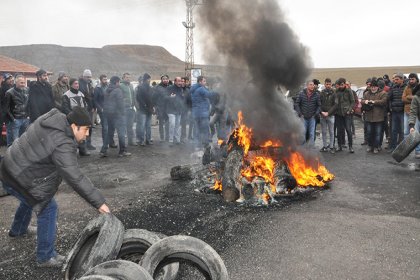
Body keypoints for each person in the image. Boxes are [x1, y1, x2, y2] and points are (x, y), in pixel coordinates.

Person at [0, 107, 110, 268]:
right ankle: (45, 257)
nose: (86, 134)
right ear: (74, 126)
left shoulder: (53, 118)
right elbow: (75, 176)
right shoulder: (62, 143)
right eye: (85, 130)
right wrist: (100, 203)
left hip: (9, 166)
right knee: (48, 207)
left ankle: (18, 230)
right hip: (19, 175)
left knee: (29, 197)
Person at [100, 76, 131, 158]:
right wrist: (123, 113)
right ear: (117, 82)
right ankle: (122, 151)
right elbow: (120, 104)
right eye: (119, 82)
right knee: (121, 133)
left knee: (109, 132)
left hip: (108, 114)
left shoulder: (107, 89)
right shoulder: (118, 90)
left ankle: (103, 151)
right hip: (117, 115)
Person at [62, 78, 90, 156]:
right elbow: (65, 107)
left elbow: (85, 105)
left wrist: (85, 114)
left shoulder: (81, 94)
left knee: (82, 134)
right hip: (72, 118)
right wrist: (72, 115)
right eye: (75, 83)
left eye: (78, 83)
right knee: (71, 136)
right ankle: (71, 152)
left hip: (81, 118)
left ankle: (82, 150)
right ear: (71, 85)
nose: (77, 85)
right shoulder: (66, 95)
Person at [362, 78, 387, 153]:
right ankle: (370, 146)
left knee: (378, 133)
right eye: (372, 87)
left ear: (377, 87)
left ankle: (376, 146)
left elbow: (383, 101)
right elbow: (362, 100)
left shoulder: (383, 93)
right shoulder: (366, 93)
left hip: (379, 117)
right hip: (369, 117)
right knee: (369, 132)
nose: (373, 88)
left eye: (374, 87)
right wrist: (365, 101)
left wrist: (373, 102)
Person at [4, 75, 29, 146]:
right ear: (16, 82)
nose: (23, 84)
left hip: (25, 119)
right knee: (14, 141)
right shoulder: (9, 92)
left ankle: (21, 155)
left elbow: (29, 103)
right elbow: (6, 108)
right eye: (21, 83)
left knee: (24, 140)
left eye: (24, 82)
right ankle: (11, 156)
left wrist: (28, 115)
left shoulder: (27, 90)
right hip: (15, 120)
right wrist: (13, 119)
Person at [294, 80, 321, 148]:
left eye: (313, 85)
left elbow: (319, 105)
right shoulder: (301, 94)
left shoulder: (316, 94)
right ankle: (303, 150)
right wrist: (300, 114)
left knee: (312, 134)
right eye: (311, 85)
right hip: (303, 117)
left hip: (312, 117)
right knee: (303, 133)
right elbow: (297, 104)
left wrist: (316, 114)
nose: (312, 86)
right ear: (307, 85)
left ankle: (311, 150)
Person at [94, 74, 116, 149]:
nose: (106, 81)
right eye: (104, 79)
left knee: (112, 126)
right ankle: (105, 145)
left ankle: (111, 142)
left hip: (111, 110)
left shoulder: (109, 87)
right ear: (100, 80)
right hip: (103, 111)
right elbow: (95, 100)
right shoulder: (97, 88)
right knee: (105, 128)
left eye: (106, 79)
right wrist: (100, 109)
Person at [190, 75, 213, 148]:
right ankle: (205, 145)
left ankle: (197, 145)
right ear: (200, 81)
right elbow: (210, 95)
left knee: (197, 129)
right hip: (202, 113)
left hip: (196, 113)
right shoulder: (201, 89)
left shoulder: (194, 88)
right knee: (205, 129)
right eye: (204, 81)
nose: (205, 83)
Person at [335, 78, 355, 153]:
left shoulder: (349, 91)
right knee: (339, 131)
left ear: (344, 84)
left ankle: (350, 146)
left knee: (348, 130)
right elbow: (334, 102)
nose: (341, 86)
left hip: (347, 114)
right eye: (340, 85)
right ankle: (339, 146)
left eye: (342, 84)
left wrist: (349, 110)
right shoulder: (336, 91)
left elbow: (353, 102)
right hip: (338, 114)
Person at [388, 73, 406, 152]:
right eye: (394, 79)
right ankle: (393, 147)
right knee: (393, 130)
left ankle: (402, 149)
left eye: (397, 79)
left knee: (402, 131)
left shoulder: (406, 88)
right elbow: (389, 98)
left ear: (402, 79)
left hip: (402, 112)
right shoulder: (392, 88)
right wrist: (390, 107)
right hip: (394, 112)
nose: (395, 81)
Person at [78, 69, 96, 150]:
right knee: (83, 127)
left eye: (90, 77)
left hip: (90, 108)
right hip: (83, 109)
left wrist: (93, 107)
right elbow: (85, 96)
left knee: (90, 126)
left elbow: (92, 96)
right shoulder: (79, 84)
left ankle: (89, 143)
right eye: (88, 77)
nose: (89, 78)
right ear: (84, 76)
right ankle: (82, 145)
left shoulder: (90, 84)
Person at [319, 78, 337, 153]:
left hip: (331, 115)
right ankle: (325, 146)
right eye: (327, 84)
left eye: (329, 84)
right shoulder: (321, 93)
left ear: (331, 84)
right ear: (324, 84)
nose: (328, 85)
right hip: (322, 116)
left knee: (331, 132)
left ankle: (332, 147)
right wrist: (322, 112)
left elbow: (335, 105)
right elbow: (319, 104)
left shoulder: (334, 93)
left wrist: (328, 113)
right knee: (324, 132)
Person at [136, 73, 154, 146]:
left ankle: (148, 140)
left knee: (148, 125)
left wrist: (152, 106)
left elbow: (152, 98)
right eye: (148, 79)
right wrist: (144, 105)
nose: (149, 80)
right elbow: (139, 98)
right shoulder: (140, 87)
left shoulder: (150, 88)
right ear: (146, 79)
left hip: (149, 109)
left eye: (149, 79)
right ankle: (141, 140)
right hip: (143, 109)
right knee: (142, 125)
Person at [120, 73, 137, 146]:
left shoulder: (131, 85)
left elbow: (133, 96)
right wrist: (124, 102)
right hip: (124, 109)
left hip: (131, 108)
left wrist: (134, 104)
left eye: (129, 77)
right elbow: (119, 97)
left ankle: (130, 141)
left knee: (130, 126)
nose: (128, 79)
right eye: (126, 77)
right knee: (123, 126)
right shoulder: (121, 86)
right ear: (123, 78)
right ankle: (122, 143)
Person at [165, 77, 184, 145]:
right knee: (172, 124)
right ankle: (171, 140)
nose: (180, 82)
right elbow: (164, 97)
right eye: (178, 81)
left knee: (177, 125)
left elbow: (182, 99)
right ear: (175, 81)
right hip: (170, 110)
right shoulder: (169, 88)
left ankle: (177, 140)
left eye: (181, 81)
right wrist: (170, 97)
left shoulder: (181, 89)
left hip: (178, 110)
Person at [153, 75, 170, 142]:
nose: (165, 80)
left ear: (168, 80)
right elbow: (154, 97)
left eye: (166, 79)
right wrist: (155, 106)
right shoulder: (158, 88)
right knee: (161, 124)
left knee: (167, 123)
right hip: (160, 108)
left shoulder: (169, 87)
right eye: (164, 79)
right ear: (161, 80)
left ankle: (167, 137)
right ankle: (162, 137)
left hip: (168, 108)